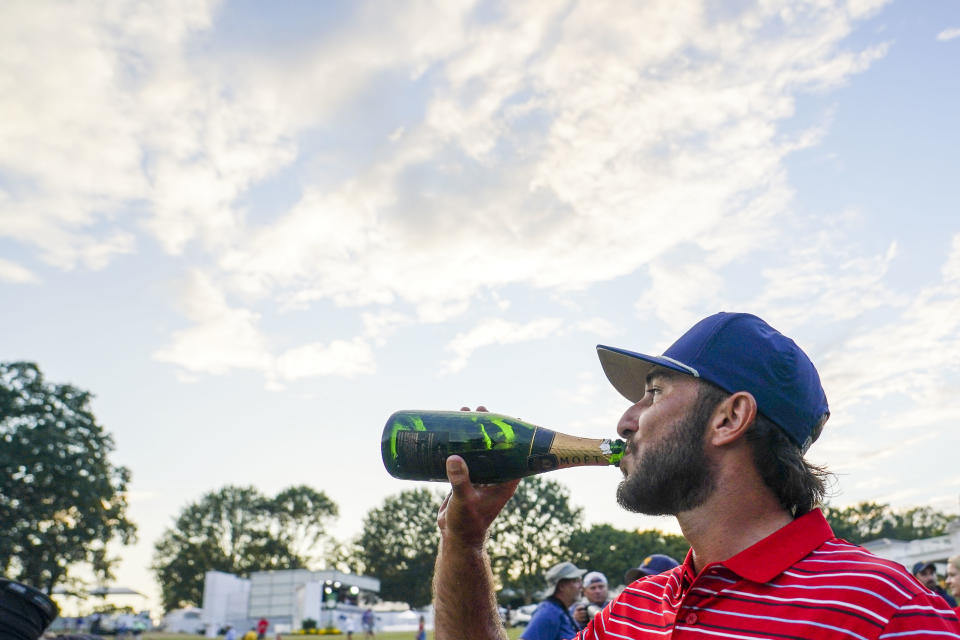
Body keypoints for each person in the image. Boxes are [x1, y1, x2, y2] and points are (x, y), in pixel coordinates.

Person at [432, 312, 960, 639]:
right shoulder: (632, 611)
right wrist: (464, 542)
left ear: (729, 417)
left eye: (655, 392)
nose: (625, 421)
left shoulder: (886, 611)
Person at [520, 562, 584, 640]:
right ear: (562, 586)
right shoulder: (549, 612)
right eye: (576, 581)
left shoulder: (560, 611)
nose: (581, 586)